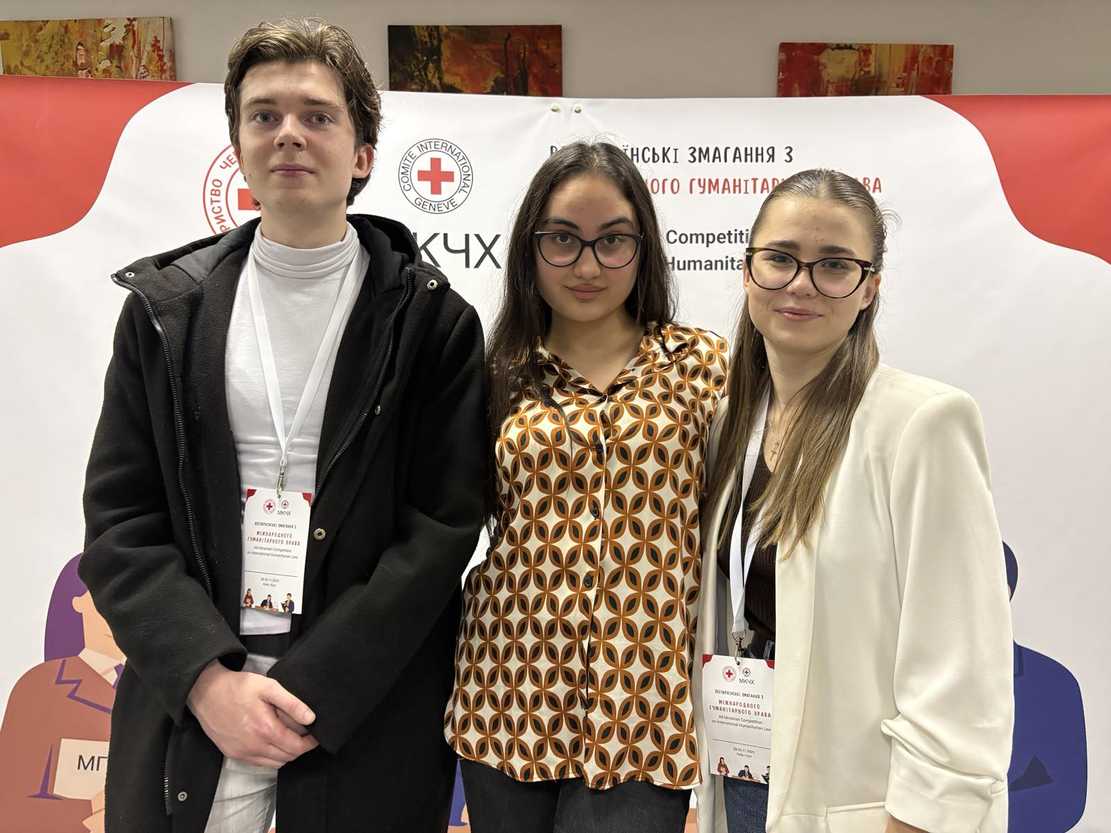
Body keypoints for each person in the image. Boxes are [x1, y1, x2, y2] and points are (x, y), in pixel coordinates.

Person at [78, 17, 485, 833]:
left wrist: (312, 689)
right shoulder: (166, 313)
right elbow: (121, 520)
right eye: (263, 115)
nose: (288, 133)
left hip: (361, 716)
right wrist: (207, 681)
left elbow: (439, 531)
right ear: (238, 143)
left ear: (362, 153)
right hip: (196, 710)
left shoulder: (431, 322)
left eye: (317, 115)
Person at [693, 169, 1013, 833]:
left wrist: (920, 816)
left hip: (864, 801)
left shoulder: (920, 423)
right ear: (747, 271)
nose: (801, 283)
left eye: (834, 265)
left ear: (870, 287)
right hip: (746, 772)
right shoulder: (728, 426)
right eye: (780, 258)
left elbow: (962, 663)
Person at [445, 141, 729, 833]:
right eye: (563, 239)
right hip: (509, 692)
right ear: (530, 247)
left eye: (613, 241)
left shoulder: (704, 365)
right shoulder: (495, 374)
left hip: (645, 703)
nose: (587, 266)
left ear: (643, 248)